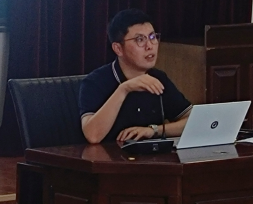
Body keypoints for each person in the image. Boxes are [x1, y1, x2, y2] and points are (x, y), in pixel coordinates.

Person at [79, 8, 192, 144]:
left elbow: (193, 121)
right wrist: (124, 89)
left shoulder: (158, 78)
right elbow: (93, 135)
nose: (150, 46)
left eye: (152, 37)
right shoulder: (95, 82)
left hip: (151, 155)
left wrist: (154, 130)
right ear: (118, 49)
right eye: (140, 40)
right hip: (110, 156)